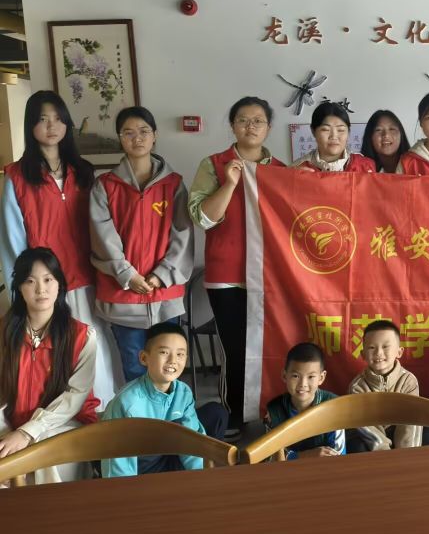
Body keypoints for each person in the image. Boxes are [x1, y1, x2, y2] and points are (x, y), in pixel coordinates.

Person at [1, 90, 121, 406]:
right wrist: (25, 287)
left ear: (67, 123)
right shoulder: (17, 176)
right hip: (48, 283)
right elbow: (12, 238)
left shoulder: (83, 171)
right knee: (58, 352)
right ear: (30, 125)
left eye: (57, 118)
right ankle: (65, 418)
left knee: (97, 346)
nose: (51, 126)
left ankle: (105, 413)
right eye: (42, 119)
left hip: (87, 275)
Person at [188, 96, 285, 436]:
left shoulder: (281, 170)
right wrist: (230, 183)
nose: (250, 126)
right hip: (228, 275)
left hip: (270, 275)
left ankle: (273, 412)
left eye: (258, 121)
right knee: (235, 347)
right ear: (232, 125)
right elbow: (203, 218)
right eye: (243, 120)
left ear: (268, 127)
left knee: (272, 345)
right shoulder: (214, 165)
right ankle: (234, 415)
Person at [90, 106, 193, 382]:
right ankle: (139, 413)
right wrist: (128, 275)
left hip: (165, 296)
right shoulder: (105, 186)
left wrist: (161, 275)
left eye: (144, 131)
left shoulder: (173, 184)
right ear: (120, 138)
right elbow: (102, 235)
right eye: (128, 132)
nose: (137, 138)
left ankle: (168, 413)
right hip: (123, 296)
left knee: (169, 369)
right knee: (135, 369)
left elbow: (182, 233)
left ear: (155, 135)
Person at [0, 247, 99, 483]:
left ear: (60, 284)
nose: (40, 289)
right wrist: (9, 430)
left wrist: (28, 431)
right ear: (19, 288)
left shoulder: (82, 336)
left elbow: (75, 396)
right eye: (30, 281)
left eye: (48, 279)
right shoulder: (3, 331)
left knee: (44, 449)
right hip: (10, 421)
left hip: (64, 423)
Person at [99, 322, 227, 477]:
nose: (173, 360)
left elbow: (192, 440)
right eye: (164, 352)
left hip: (169, 455)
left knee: (216, 413)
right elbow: (117, 459)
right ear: (144, 358)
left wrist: (201, 477)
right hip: (142, 468)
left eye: (180, 354)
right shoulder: (127, 402)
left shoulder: (183, 392)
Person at [346, 320, 421, 451]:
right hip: (371, 437)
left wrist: (406, 455)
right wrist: (386, 454)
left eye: (385, 347)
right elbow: (366, 426)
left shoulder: (408, 380)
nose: (378, 353)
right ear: (363, 354)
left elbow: (410, 421)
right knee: (357, 445)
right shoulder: (357, 387)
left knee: (428, 435)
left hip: (400, 430)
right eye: (372, 348)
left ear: (399, 352)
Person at [263, 342, 345, 458]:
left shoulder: (334, 406)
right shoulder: (274, 411)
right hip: (288, 467)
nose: (303, 384)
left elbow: (338, 454)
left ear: (321, 378)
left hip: (326, 466)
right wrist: (303, 456)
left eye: (311, 377)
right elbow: (269, 454)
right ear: (284, 375)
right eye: (295, 376)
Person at [292, 100, 375, 173]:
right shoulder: (297, 169)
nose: (334, 136)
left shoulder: (366, 167)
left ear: (348, 132)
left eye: (340, 130)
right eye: (325, 129)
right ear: (313, 131)